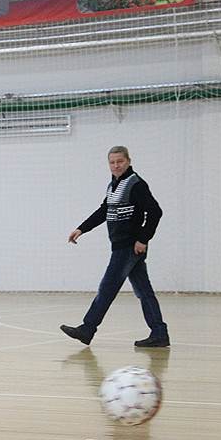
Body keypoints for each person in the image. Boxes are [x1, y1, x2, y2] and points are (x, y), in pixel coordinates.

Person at [60, 146, 170, 348]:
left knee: (107, 288)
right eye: (112, 162)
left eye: (120, 161)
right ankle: (159, 333)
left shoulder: (135, 183)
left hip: (128, 247)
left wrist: (143, 239)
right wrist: (81, 229)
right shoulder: (113, 185)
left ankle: (87, 329)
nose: (116, 165)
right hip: (122, 247)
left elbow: (156, 212)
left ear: (128, 160)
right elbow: (104, 211)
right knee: (144, 292)